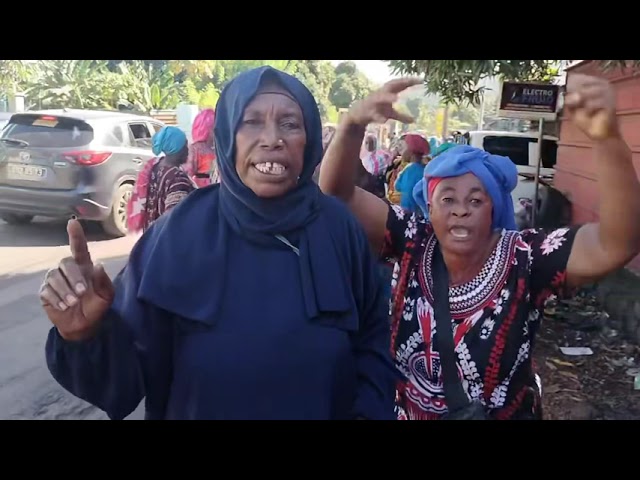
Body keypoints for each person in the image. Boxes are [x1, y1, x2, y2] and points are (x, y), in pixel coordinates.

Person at [40, 66, 397, 420]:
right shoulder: (176, 235)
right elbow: (123, 386)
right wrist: (85, 335)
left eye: (290, 123)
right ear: (227, 136)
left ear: (310, 140)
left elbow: (373, 343)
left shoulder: (339, 229)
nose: (272, 138)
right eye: (252, 121)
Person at [319, 75, 640, 420]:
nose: (461, 209)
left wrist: (608, 141)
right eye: (447, 199)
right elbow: (336, 196)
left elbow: (617, 243)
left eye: (476, 199)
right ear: (429, 207)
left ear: (493, 208)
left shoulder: (525, 258)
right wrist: (352, 125)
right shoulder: (412, 239)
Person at [126, 126, 195, 233]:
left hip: (151, 235)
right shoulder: (177, 177)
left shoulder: (155, 166)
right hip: (167, 240)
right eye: (184, 145)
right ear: (176, 148)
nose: (187, 149)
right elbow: (175, 217)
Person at [393, 133, 430, 213]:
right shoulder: (424, 169)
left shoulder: (410, 171)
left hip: (410, 216)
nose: (399, 150)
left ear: (411, 150)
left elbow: (406, 196)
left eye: (402, 147)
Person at [186, 108, 219, 187]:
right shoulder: (194, 149)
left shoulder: (219, 147)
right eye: (214, 128)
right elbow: (187, 174)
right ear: (206, 128)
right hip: (202, 190)